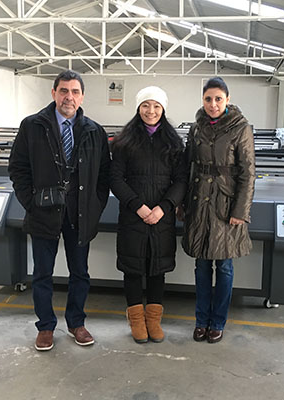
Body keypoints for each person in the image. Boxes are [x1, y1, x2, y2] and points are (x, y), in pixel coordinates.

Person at [8, 70, 111, 351]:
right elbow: (18, 168)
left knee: (80, 272)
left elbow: (104, 175)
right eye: (63, 90)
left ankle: (76, 323)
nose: (69, 97)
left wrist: (95, 206)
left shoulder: (94, 131)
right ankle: (45, 326)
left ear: (82, 97)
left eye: (75, 92)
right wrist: (31, 202)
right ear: (53, 93)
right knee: (43, 273)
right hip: (43, 211)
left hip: (80, 213)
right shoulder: (32, 126)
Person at [181, 77, 256, 344]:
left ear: (227, 99)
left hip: (226, 206)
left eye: (218, 99)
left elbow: (248, 172)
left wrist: (240, 210)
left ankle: (218, 322)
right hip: (199, 203)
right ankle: (201, 320)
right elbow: (187, 166)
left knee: (224, 266)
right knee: (201, 265)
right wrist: (182, 202)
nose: (213, 104)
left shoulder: (240, 128)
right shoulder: (196, 127)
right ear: (202, 100)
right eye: (208, 99)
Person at [110, 86, 187, 343]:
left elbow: (181, 180)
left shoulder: (174, 144)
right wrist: (138, 206)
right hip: (133, 216)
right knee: (132, 269)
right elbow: (116, 178)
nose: (150, 111)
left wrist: (164, 207)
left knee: (157, 269)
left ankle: (153, 321)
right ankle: (136, 321)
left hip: (161, 218)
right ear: (138, 108)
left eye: (156, 106)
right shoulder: (124, 142)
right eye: (145, 105)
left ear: (163, 109)